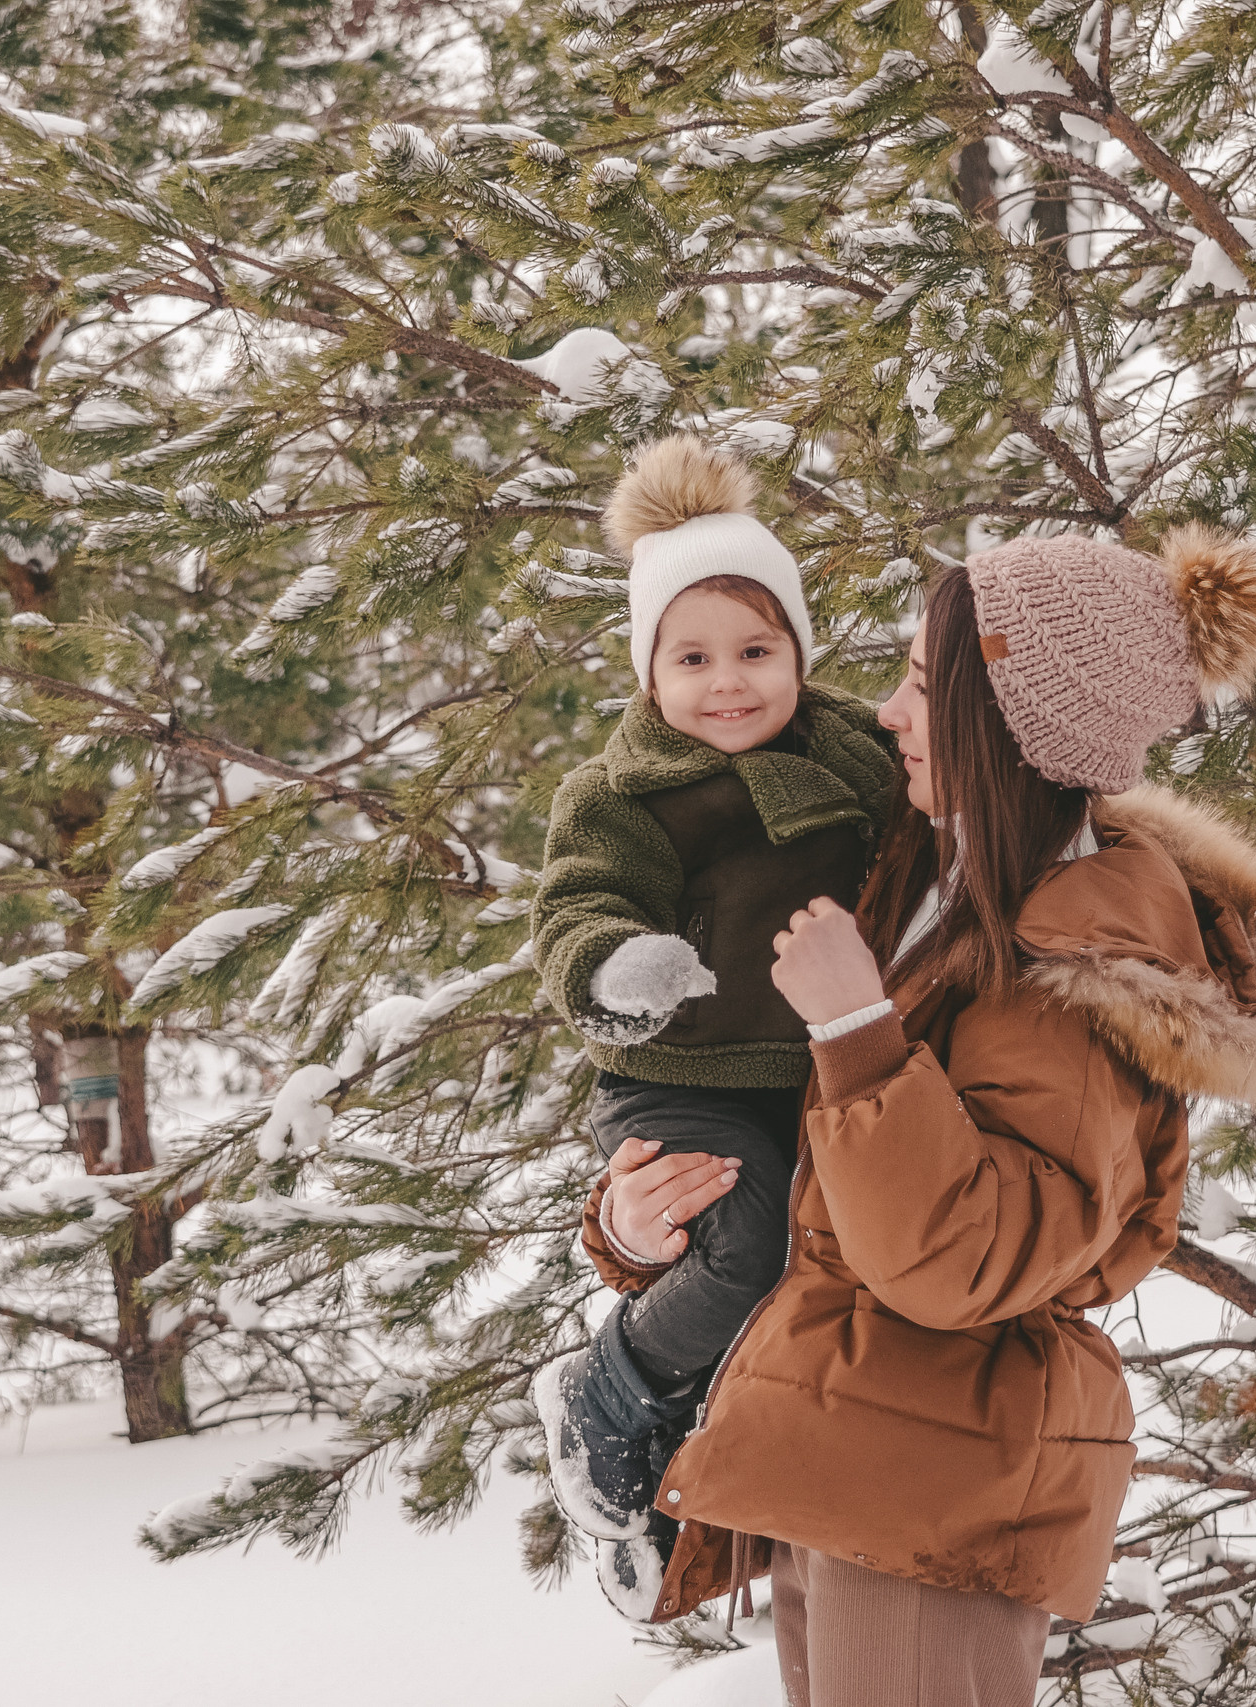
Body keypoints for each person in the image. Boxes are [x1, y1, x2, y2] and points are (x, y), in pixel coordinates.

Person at [581, 526, 1256, 1705]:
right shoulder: (937, 882)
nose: (884, 714)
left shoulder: (1082, 956)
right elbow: (805, 1160)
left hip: (936, 1488)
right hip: (854, 1454)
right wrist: (638, 1223)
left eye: (924, 686)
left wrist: (856, 1034)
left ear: (1011, 722)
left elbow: (963, 1258)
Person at [527, 435, 900, 1613]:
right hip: (678, 1075)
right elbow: (575, 908)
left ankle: (683, 1489)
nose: (726, 682)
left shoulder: (856, 753)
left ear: (798, 650)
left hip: (813, 1070)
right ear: (648, 672)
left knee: (814, 1280)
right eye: (690, 658)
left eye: (755, 649)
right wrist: (614, 966)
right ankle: (612, 1389)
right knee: (748, 1247)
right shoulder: (621, 792)